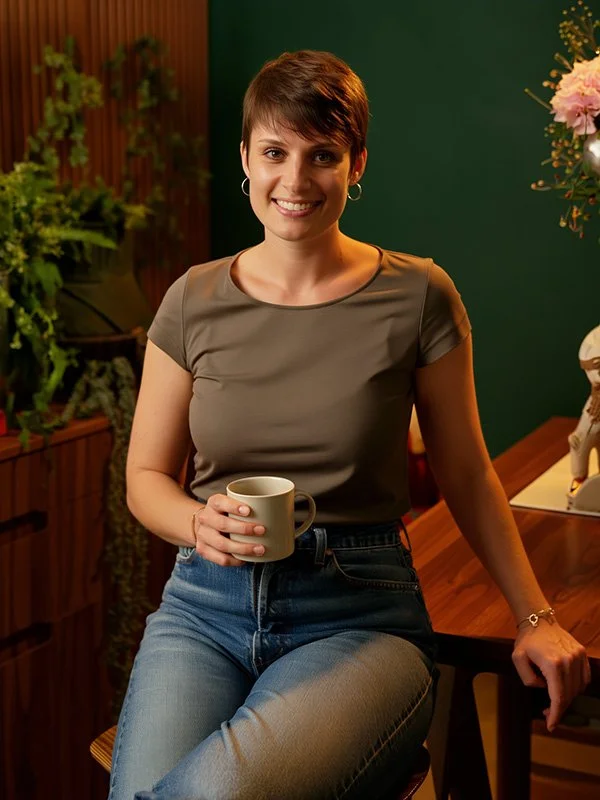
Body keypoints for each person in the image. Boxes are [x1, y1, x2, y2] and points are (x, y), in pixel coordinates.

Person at [109, 50, 590, 800]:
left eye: (322, 155)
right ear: (246, 157)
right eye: (275, 152)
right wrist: (197, 523)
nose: (295, 181)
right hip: (203, 609)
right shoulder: (191, 299)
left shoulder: (418, 294)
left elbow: (466, 473)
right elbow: (144, 479)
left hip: (359, 613)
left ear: (356, 162)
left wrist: (535, 616)